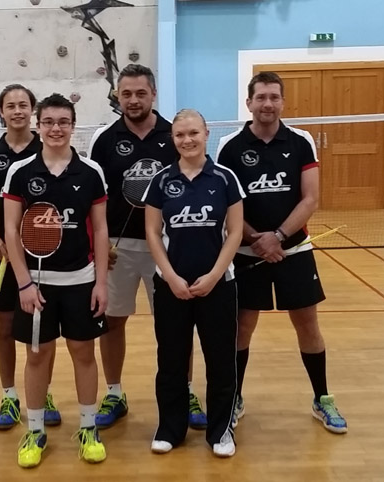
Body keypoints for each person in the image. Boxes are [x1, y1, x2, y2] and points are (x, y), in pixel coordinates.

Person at [216, 71, 347, 434]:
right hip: (246, 253)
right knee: (241, 327)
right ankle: (234, 398)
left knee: (307, 325)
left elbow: (311, 198)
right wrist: (257, 239)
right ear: (249, 103)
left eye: (274, 97)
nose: (268, 104)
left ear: (283, 102)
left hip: (294, 250)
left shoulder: (301, 141)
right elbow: (226, 203)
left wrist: (278, 237)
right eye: (261, 97)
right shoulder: (229, 146)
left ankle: (322, 398)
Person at [88, 64, 207, 430]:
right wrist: (98, 246)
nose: (134, 100)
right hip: (118, 250)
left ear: (153, 94)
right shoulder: (104, 139)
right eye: (126, 94)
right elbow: (94, 198)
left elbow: (195, 186)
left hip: (168, 248)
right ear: (117, 96)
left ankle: (185, 391)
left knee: (175, 326)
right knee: (112, 322)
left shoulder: (174, 135)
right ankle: (114, 392)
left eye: (141, 93)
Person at [3, 93, 110, 468]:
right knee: (37, 355)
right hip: (37, 284)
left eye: (63, 122)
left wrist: (101, 283)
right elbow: (11, 230)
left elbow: (100, 229)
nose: (56, 129)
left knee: (84, 353)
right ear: (38, 126)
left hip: (81, 280)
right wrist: (23, 283)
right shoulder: (20, 172)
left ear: (73, 126)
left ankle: (88, 428)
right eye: (48, 122)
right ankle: (34, 431)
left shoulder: (91, 172)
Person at [145, 109, 244, 457]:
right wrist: (171, 277)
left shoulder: (226, 178)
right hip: (171, 287)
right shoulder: (160, 181)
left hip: (218, 285)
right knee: (171, 360)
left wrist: (215, 275)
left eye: (193, 133)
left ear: (206, 134)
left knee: (221, 360)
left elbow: (235, 232)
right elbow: (152, 233)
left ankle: (221, 431)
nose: (187, 140)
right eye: (180, 135)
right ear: (173, 139)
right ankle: (170, 429)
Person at [0, 84, 61, 430]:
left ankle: (43, 394)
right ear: (1, 111)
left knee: (41, 332)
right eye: (10, 106)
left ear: (32, 110)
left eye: (23, 105)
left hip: (43, 257)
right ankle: (9, 396)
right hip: (4, 257)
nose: (17, 111)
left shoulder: (49, 148)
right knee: (5, 327)